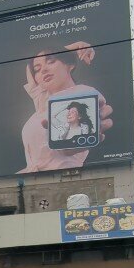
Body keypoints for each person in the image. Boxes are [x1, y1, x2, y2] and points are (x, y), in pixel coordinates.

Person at [19, 42, 113, 173]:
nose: (43, 70)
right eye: (37, 69)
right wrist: (74, 46)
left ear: (70, 64)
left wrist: (65, 51)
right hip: (32, 177)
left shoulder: (83, 92)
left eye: (51, 61)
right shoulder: (42, 99)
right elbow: (28, 69)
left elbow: (75, 138)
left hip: (63, 175)